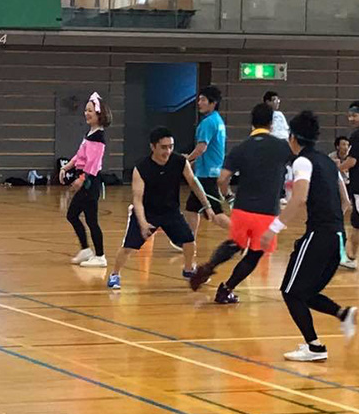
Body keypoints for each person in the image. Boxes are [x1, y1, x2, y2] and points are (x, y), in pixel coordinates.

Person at [259, 111, 357, 361]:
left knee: (291, 292)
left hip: (320, 235)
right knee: (305, 291)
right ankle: (343, 314)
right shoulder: (327, 161)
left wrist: (273, 229)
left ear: (293, 138)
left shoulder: (302, 162)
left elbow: (299, 198)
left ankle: (315, 347)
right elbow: (345, 202)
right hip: (337, 237)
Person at [190, 104, 292, 303]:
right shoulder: (282, 147)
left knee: (235, 243)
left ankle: (210, 265)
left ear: (251, 123)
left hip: (242, 208)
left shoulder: (241, 148)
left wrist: (228, 195)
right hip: (267, 211)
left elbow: (222, 178)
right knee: (254, 254)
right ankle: (226, 289)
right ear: (271, 123)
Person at [107, 127, 214, 290]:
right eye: (164, 147)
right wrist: (143, 223)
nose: (168, 151)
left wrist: (207, 205)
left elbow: (193, 183)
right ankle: (115, 274)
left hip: (170, 211)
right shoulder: (141, 168)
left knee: (189, 241)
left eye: (171, 146)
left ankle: (188, 270)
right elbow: (137, 199)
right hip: (147, 212)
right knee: (128, 247)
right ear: (153, 147)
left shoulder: (180, 162)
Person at [59, 92, 111, 268]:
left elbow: (93, 164)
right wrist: (66, 167)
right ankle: (87, 250)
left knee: (79, 216)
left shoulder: (98, 138)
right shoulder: (90, 134)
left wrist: (82, 179)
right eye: (86, 110)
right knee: (82, 218)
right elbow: (80, 156)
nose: (86, 113)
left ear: (99, 114)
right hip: (86, 180)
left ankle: (99, 255)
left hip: (90, 183)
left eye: (90, 110)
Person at [184, 86, 230, 235]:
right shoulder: (218, 120)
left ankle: (244, 235)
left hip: (207, 174)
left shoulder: (208, 123)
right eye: (199, 99)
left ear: (213, 102)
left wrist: (187, 160)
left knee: (216, 213)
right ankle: (189, 239)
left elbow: (201, 148)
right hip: (210, 171)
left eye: (203, 100)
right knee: (191, 208)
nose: (199, 103)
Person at [337, 100, 359, 270]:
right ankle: (351, 258)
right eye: (349, 115)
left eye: (354, 115)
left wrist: (334, 170)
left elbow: (352, 161)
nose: (351, 119)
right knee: (356, 225)